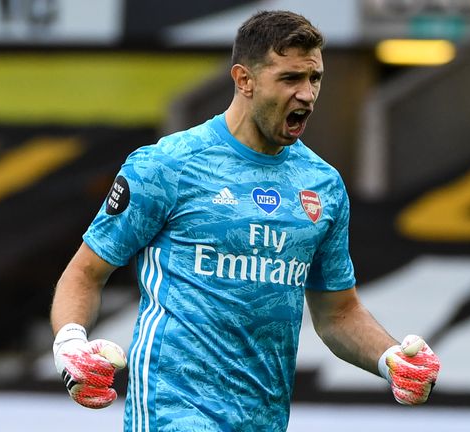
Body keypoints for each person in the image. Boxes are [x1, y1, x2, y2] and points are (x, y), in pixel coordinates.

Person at [50, 10, 440, 432]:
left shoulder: (322, 185)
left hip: (263, 417)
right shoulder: (167, 166)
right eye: (291, 78)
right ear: (244, 80)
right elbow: (85, 273)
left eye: (315, 79)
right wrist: (70, 343)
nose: (307, 95)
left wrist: (390, 359)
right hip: (173, 411)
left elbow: (338, 313)